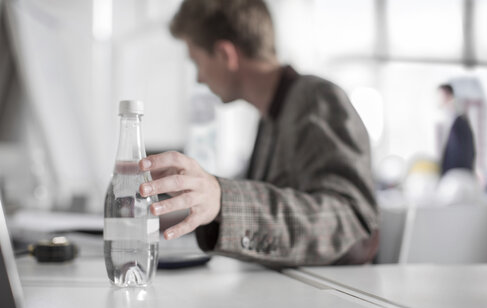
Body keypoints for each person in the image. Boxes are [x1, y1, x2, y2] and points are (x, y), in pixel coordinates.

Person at [138, 0, 379, 266]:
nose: (199, 79)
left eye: (198, 62)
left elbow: (351, 223)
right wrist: (185, 210)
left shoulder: (316, 101)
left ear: (225, 54)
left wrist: (222, 199)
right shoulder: (274, 114)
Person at [436, 84, 475, 176]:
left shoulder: (459, 121)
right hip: (454, 173)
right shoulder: (450, 119)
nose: (438, 100)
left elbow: (462, 151)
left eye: (439, 96)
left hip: (458, 173)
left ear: (447, 95)